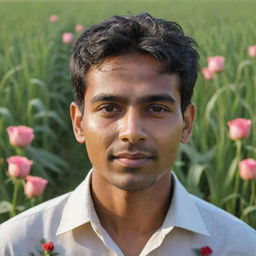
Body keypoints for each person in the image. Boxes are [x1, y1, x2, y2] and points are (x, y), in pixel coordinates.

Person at [0, 13, 255, 256]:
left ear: (186, 124)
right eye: (109, 108)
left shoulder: (238, 246)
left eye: (156, 109)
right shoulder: (16, 245)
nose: (132, 133)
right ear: (79, 123)